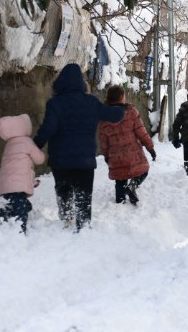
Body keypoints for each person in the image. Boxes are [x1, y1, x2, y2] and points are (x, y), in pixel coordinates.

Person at [34, 64, 125, 231]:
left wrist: (34, 147)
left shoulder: (54, 103)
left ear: (59, 83)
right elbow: (115, 115)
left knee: (63, 189)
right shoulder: (91, 102)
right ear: (82, 83)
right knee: (83, 193)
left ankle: (67, 219)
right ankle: (83, 226)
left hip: (60, 159)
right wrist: (120, 108)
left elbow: (48, 128)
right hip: (85, 159)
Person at [99, 86, 156, 206]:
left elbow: (103, 139)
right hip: (133, 152)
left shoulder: (104, 117)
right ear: (121, 97)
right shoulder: (132, 113)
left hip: (115, 156)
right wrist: (150, 148)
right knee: (143, 171)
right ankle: (133, 186)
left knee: (120, 178)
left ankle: (120, 202)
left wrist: (106, 155)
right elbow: (142, 132)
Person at [0, 115, 46, 234]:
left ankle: (6, 210)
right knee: (21, 210)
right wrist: (41, 151)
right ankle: (20, 231)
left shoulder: (9, 144)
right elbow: (39, 159)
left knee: (26, 206)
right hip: (17, 185)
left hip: (6, 184)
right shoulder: (26, 141)